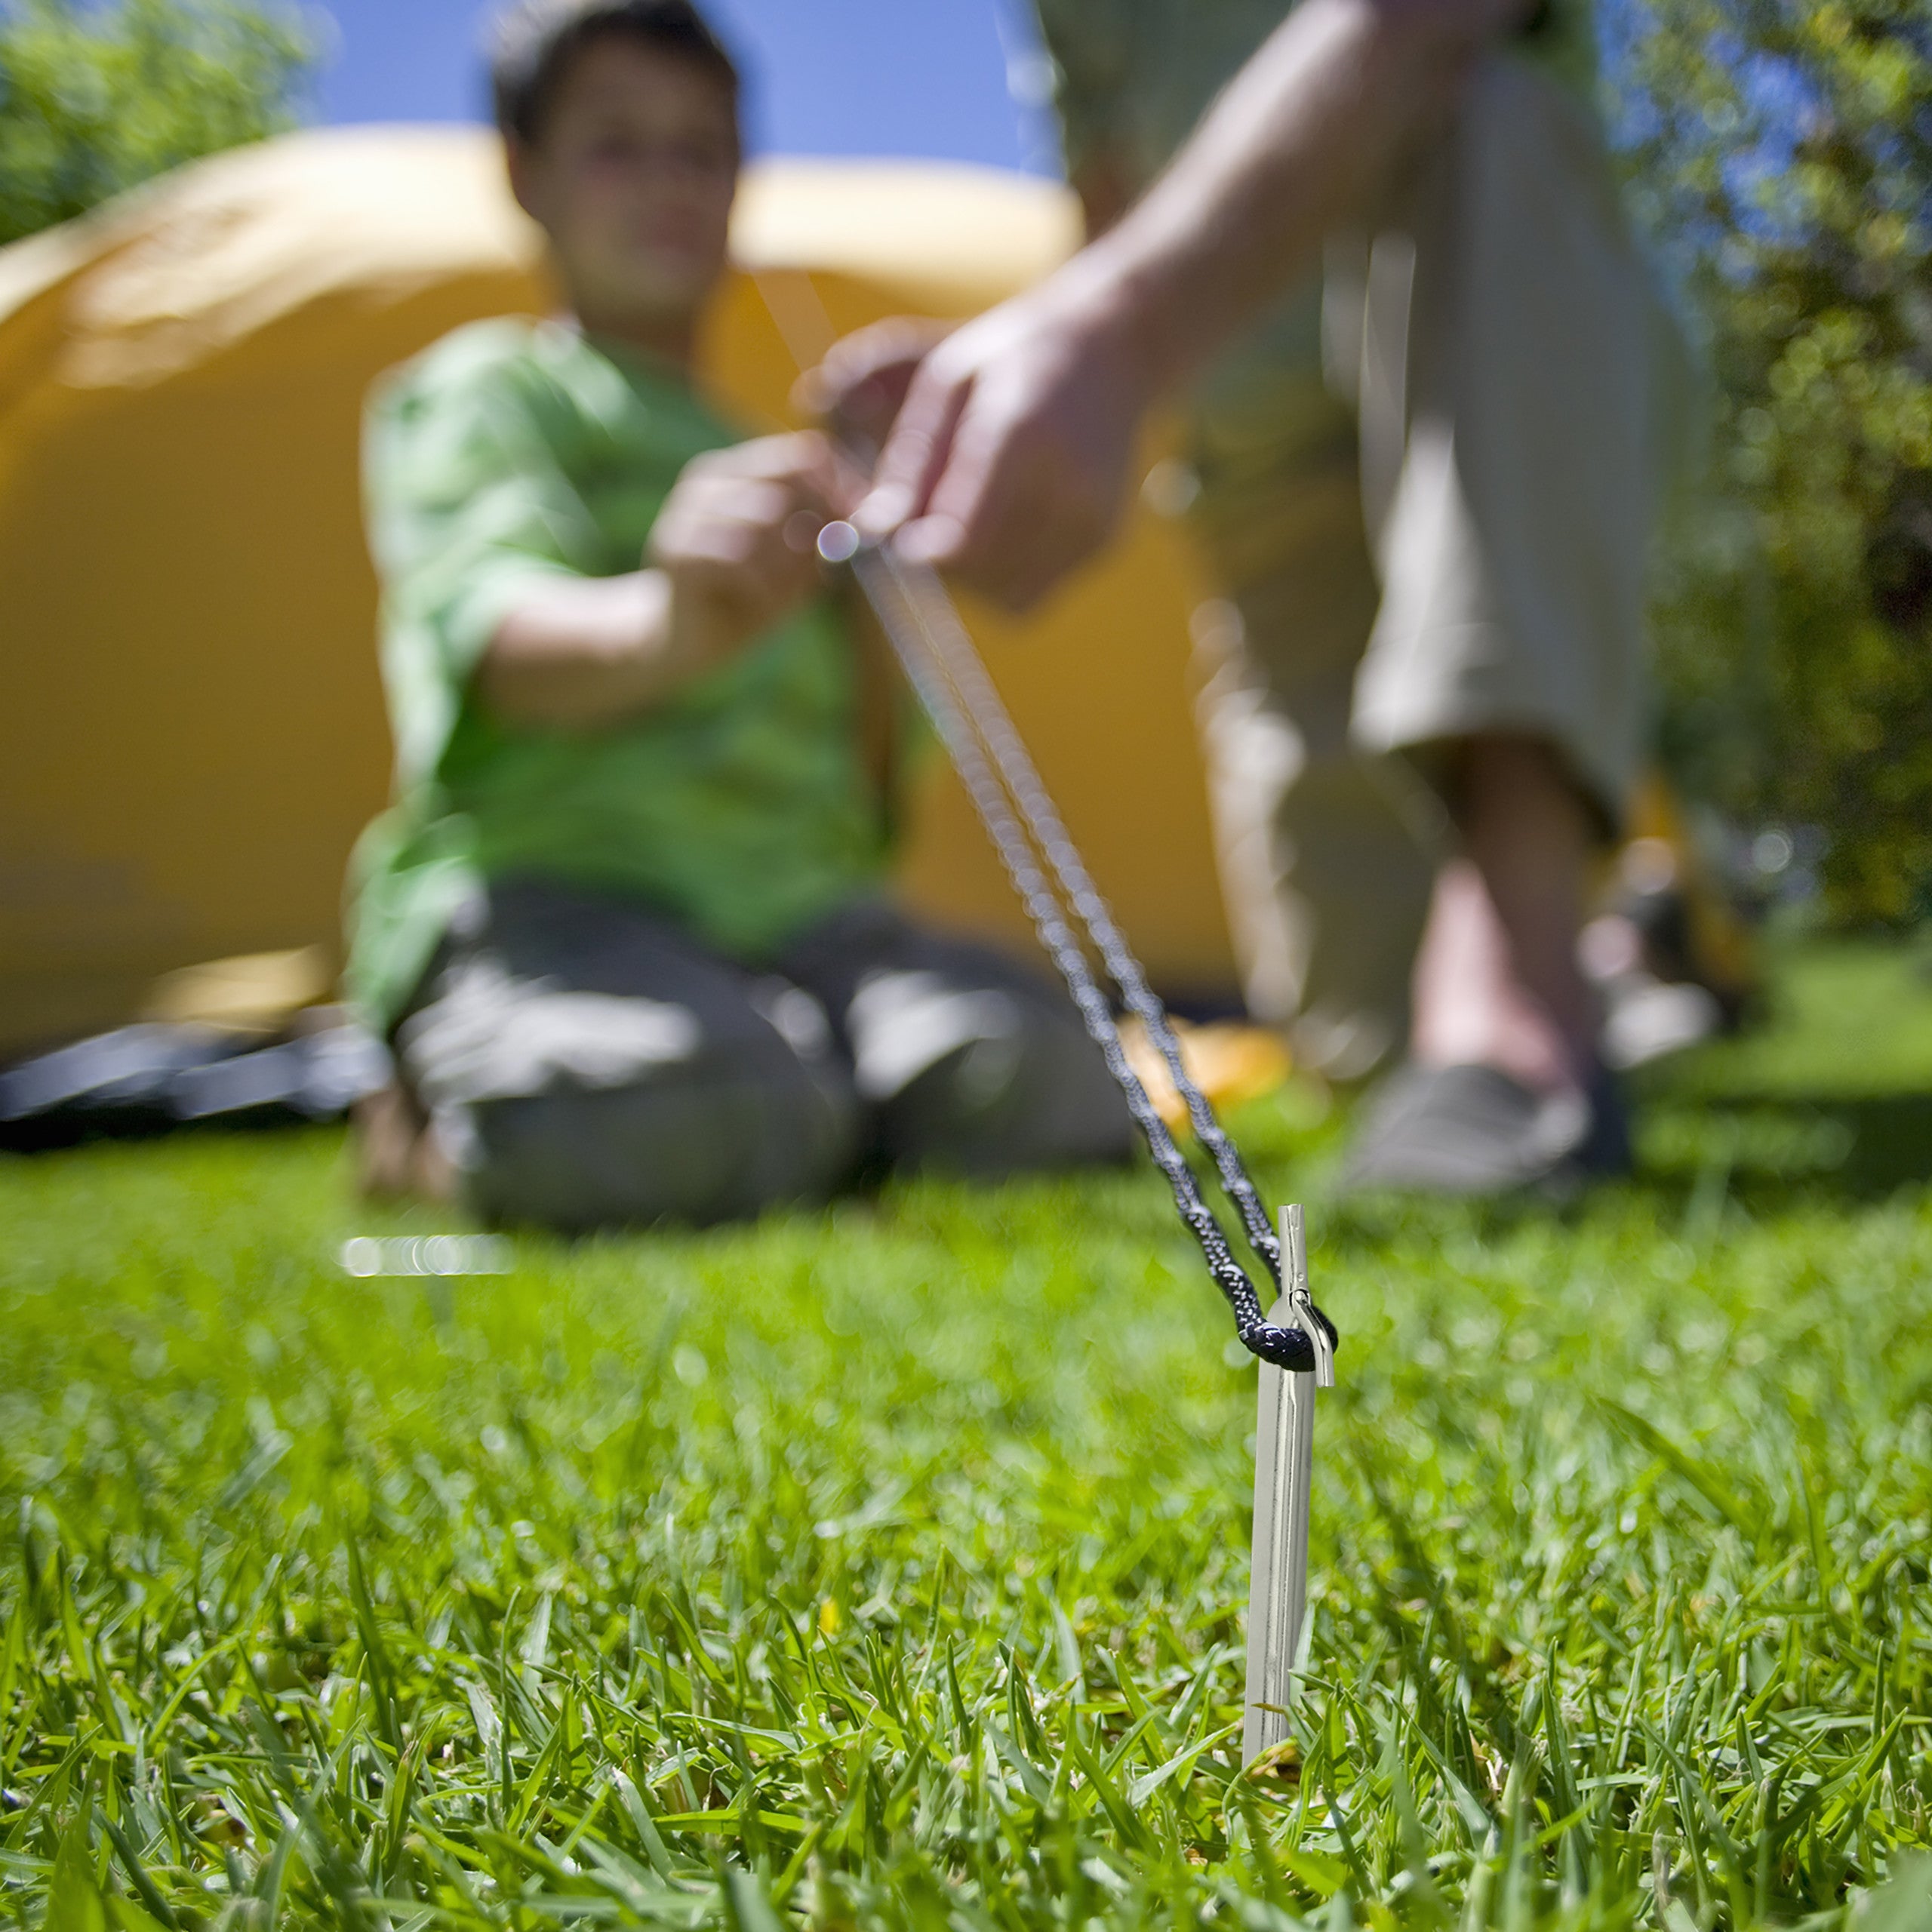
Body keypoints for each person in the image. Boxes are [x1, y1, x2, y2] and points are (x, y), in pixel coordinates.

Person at [821, 0, 1686, 1194]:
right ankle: (1609, 975)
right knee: (1366, 1048)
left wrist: (1118, 336)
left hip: (1499, 344)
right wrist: (1025, 364)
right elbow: (1119, 212)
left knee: (1498, 116)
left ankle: (1529, 986)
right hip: (1256, 455)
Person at [344, 0, 1131, 1232]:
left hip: (812, 928)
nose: (667, 181)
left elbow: (873, 773)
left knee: (1047, 1079)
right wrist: (671, 622)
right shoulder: (490, 392)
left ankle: (798, 1097)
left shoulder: (779, 469)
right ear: (526, 174)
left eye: (701, 150)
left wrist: (886, 539)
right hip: (564, 904)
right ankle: (433, 1115)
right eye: (617, 144)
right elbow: (494, 641)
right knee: (671, 1101)